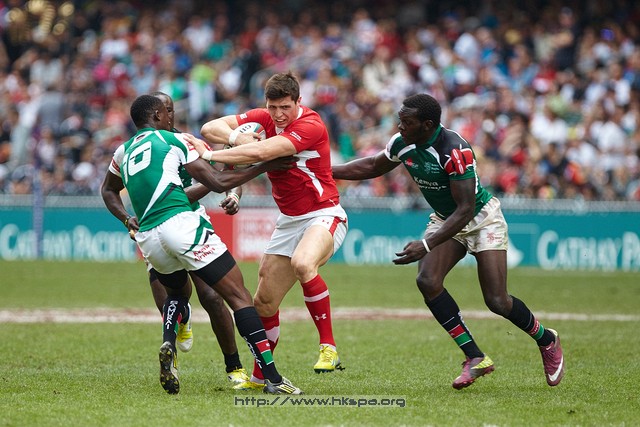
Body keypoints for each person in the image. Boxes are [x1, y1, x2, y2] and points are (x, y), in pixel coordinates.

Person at [331, 93, 565, 389]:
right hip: (446, 218)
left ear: (427, 124)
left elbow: (466, 208)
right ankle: (474, 356)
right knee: (427, 280)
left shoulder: (455, 150)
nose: (400, 126)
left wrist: (427, 244)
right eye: (400, 120)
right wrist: (326, 171)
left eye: (407, 122)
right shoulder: (402, 142)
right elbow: (373, 166)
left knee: (496, 301)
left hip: (481, 218)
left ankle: (546, 339)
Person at [101, 94, 302, 395]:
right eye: (166, 112)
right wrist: (265, 166)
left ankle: (170, 342)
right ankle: (272, 378)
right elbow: (217, 181)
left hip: (148, 238)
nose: (170, 116)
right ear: (156, 115)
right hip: (181, 224)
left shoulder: (122, 151)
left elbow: (107, 190)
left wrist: (126, 218)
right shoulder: (174, 141)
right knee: (238, 296)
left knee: (176, 295)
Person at [188, 71, 348, 390]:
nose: (278, 114)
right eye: (273, 107)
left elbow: (261, 153)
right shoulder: (264, 118)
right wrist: (238, 138)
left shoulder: (311, 125)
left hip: (324, 213)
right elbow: (209, 128)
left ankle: (328, 347)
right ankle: (261, 377)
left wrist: (208, 154)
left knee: (304, 263)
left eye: (285, 107)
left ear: (298, 102)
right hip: (289, 221)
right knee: (263, 303)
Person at [144, 91, 249, 385]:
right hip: (156, 228)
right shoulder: (137, 149)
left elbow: (225, 171)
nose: (166, 115)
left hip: (190, 222)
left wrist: (233, 195)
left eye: (170, 109)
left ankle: (234, 367)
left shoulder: (187, 142)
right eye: (161, 110)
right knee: (167, 303)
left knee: (212, 297)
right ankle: (171, 364)